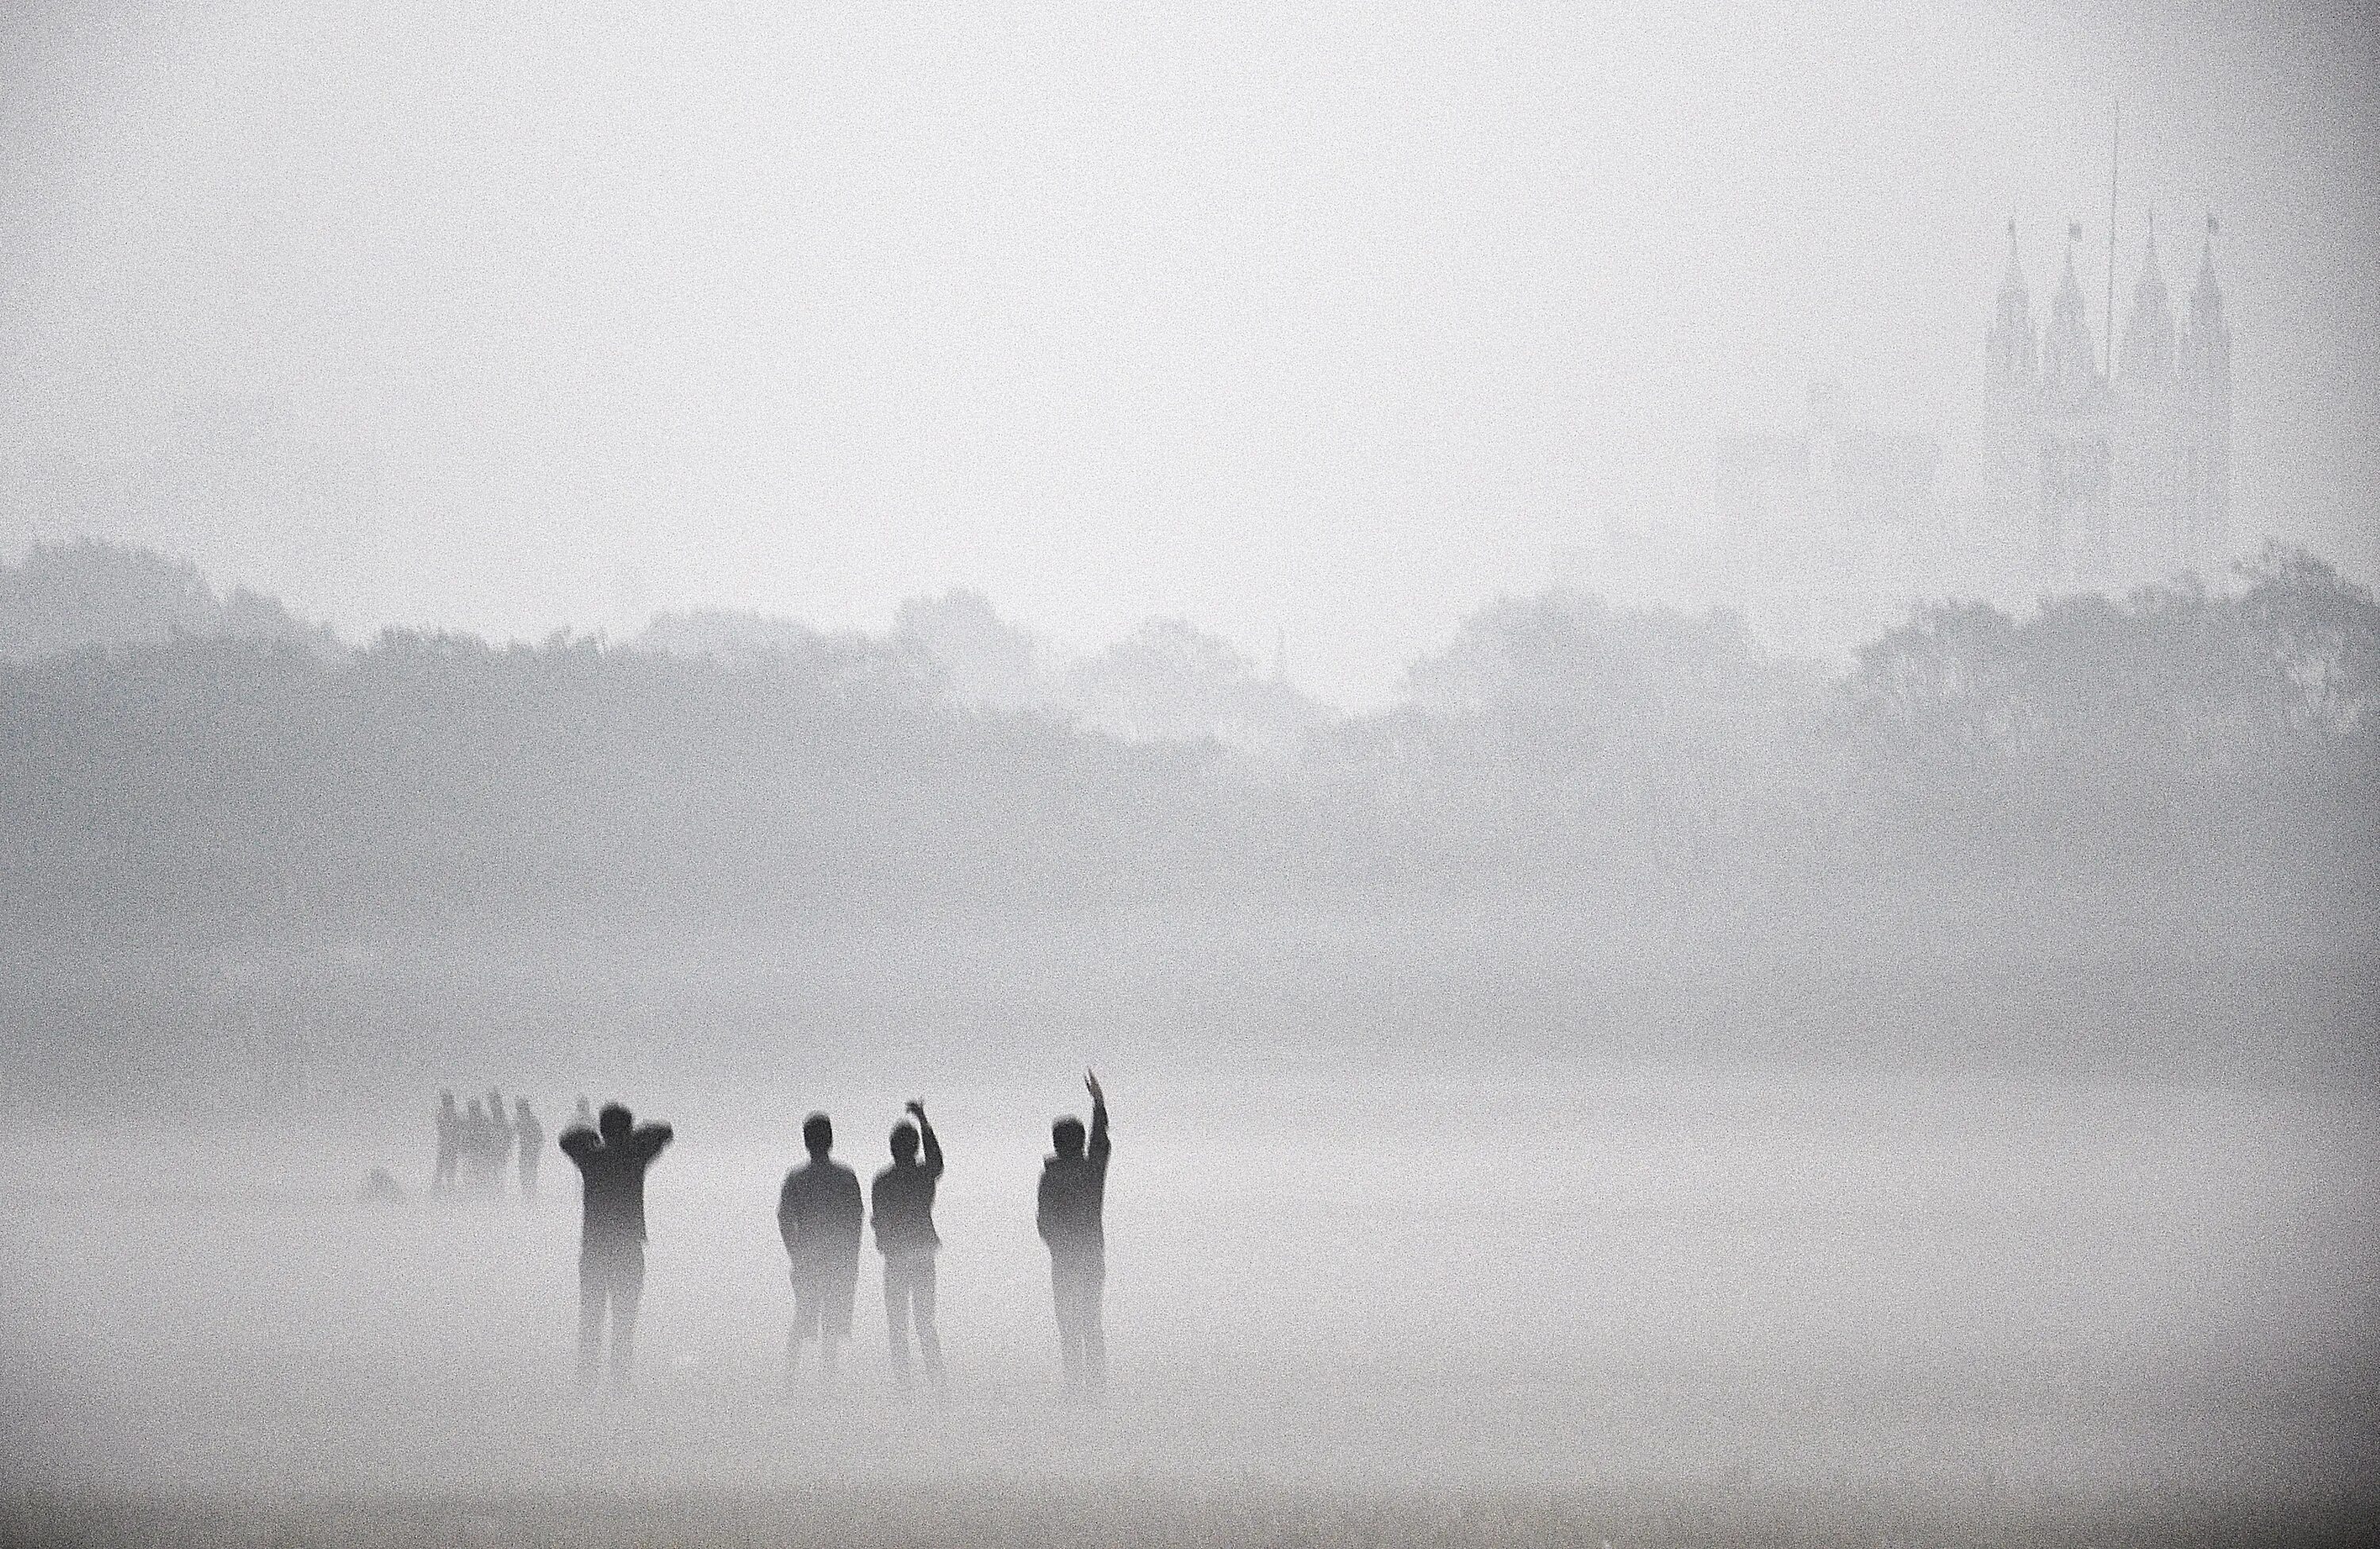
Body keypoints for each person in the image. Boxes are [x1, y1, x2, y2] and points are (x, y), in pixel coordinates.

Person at [559, 1102, 674, 1392]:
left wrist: (596, 1138)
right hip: (628, 1250)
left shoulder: (591, 1157)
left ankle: (586, 1380)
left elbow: (568, 1138)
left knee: (591, 1316)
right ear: (628, 1129)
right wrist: (633, 1137)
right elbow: (664, 1131)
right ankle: (620, 1381)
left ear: (603, 1130)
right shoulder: (635, 1156)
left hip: (595, 1249)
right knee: (625, 1319)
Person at [1038, 1069, 1111, 1397]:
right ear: (1078, 1142)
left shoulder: (1050, 1177)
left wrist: (1056, 1244)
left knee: (1068, 1326)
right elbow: (1101, 1140)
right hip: (1092, 1253)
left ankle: (1074, 1389)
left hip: (1064, 1258)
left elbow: (1044, 1221)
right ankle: (1096, 1388)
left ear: (1056, 1142)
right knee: (1091, 1322)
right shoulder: (1092, 1169)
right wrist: (1098, 1103)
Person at [777, 1111, 862, 1390]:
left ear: (806, 1142)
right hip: (837, 1257)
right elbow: (855, 1220)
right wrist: (852, 1257)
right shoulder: (846, 1177)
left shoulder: (797, 1178)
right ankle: (826, 1379)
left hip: (808, 1256)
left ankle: (789, 1379)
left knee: (803, 1316)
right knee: (831, 1322)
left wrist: (795, 1251)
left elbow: (784, 1219)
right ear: (830, 1140)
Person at [870, 1099, 946, 1391]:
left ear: (892, 1148)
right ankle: (938, 1384)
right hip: (923, 1252)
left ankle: (904, 1387)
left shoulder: (883, 1181)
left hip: (896, 1256)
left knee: (898, 1325)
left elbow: (878, 1220)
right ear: (916, 1148)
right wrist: (924, 1120)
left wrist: (883, 1243)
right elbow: (937, 1160)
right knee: (926, 1322)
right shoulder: (923, 1175)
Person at [483, 1088, 514, 1196]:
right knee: (494, 1172)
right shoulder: (493, 1119)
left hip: (499, 1151)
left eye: (493, 1102)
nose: (492, 1106)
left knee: (498, 1172)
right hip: (494, 1150)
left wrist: (505, 1147)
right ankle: (495, 1192)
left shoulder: (500, 1119)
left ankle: (498, 1193)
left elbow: (507, 1135)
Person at [513, 1098, 544, 1200]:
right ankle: (528, 1194)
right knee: (526, 1173)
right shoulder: (522, 1120)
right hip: (526, 1151)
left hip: (530, 1152)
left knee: (528, 1173)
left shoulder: (529, 1120)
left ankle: (530, 1195)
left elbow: (540, 1137)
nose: (518, 1111)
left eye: (519, 1108)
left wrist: (534, 1147)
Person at [433, 1091, 460, 1193]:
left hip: (450, 1146)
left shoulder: (450, 1114)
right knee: (443, 1168)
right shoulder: (445, 1114)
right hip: (447, 1146)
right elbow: (447, 1128)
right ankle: (440, 1188)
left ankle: (447, 1188)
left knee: (448, 1169)